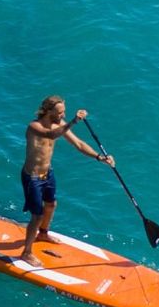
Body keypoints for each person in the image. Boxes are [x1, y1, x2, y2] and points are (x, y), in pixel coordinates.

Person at [20, 95, 115, 267]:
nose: (63, 115)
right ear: (48, 111)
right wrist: (74, 121)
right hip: (32, 177)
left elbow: (79, 144)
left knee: (51, 205)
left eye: (64, 112)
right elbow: (50, 134)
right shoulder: (34, 126)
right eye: (59, 113)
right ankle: (26, 253)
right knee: (37, 215)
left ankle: (43, 234)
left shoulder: (60, 125)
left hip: (47, 173)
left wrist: (99, 157)